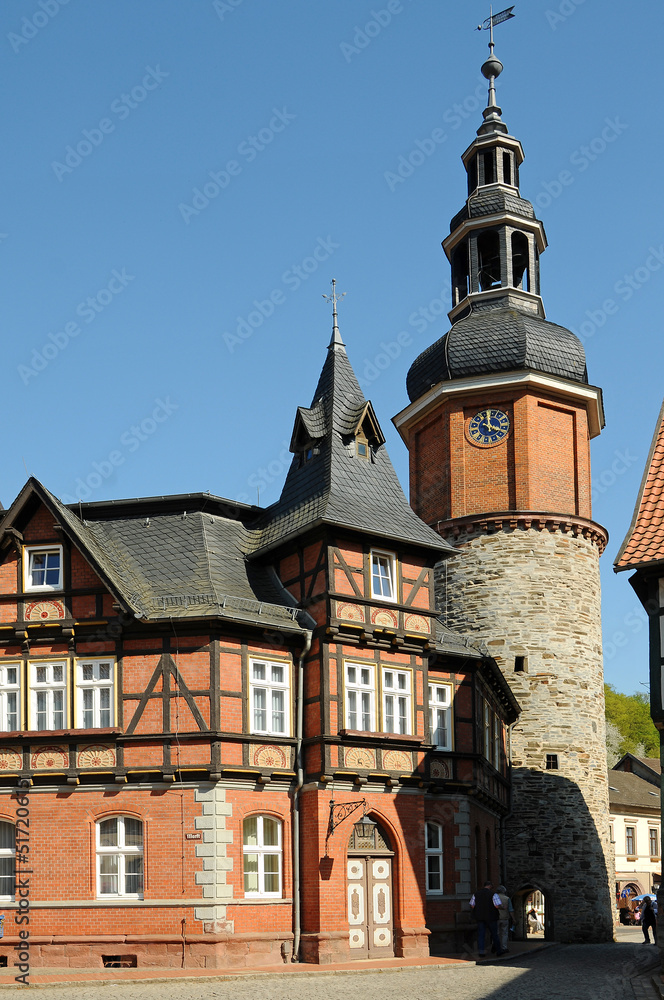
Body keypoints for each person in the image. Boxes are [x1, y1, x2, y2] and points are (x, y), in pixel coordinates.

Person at [470, 881, 507, 958]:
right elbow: (497, 905)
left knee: (481, 935)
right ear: (490, 886)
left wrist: (479, 909)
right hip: (491, 917)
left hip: (480, 917)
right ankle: (498, 951)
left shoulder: (476, 894)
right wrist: (503, 907)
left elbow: (472, 905)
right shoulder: (493, 894)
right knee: (494, 934)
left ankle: (481, 952)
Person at [495, 884, 513, 952]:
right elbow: (511, 910)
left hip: (496, 918)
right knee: (504, 933)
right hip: (504, 918)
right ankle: (504, 947)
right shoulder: (507, 898)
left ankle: (496, 946)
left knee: (496, 933)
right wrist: (513, 918)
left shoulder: (494, 898)